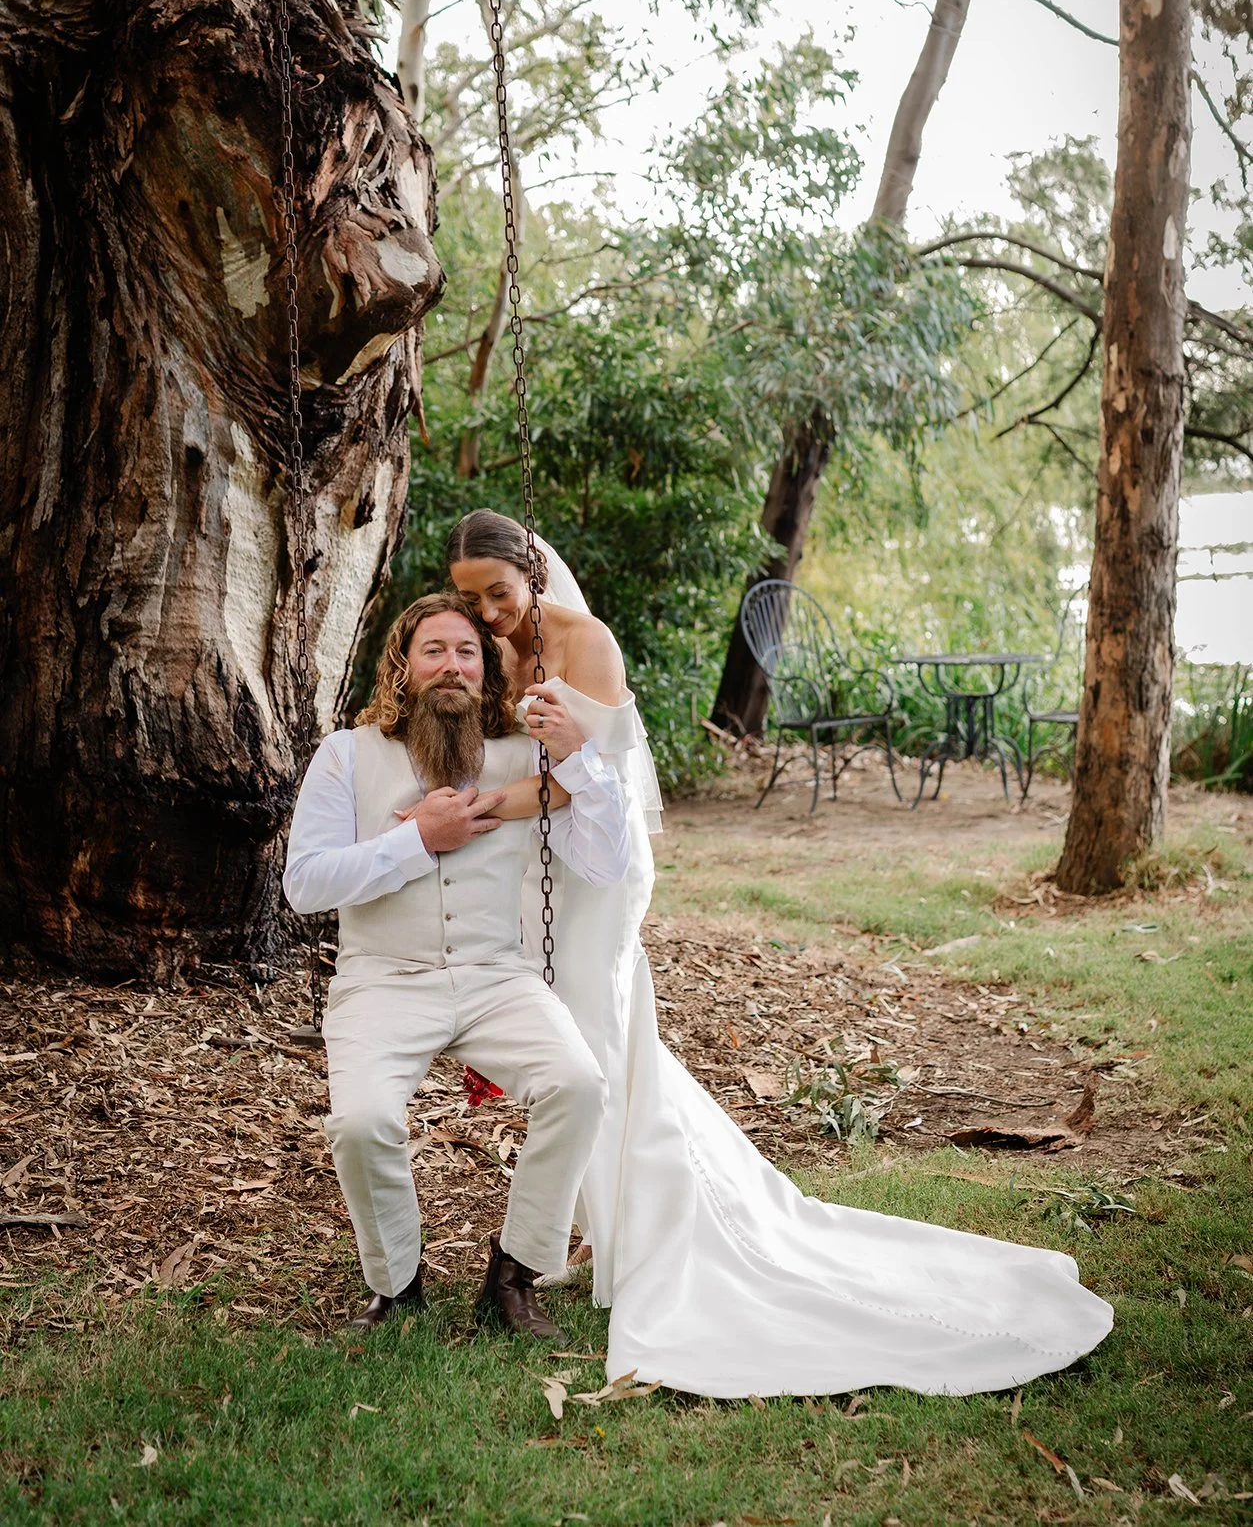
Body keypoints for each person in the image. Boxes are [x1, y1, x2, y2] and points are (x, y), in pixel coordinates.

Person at [447, 510, 1115, 1398]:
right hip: (539, 872)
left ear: (532, 572)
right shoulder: (493, 651)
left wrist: (482, 809)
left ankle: (612, 1241)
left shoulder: (585, 642)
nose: (489, 614)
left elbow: (590, 782)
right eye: (472, 599)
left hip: (597, 873)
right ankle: (591, 1222)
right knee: (588, 1045)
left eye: (498, 593)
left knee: (595, 1037)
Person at [283, 592, 630, 1338]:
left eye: (466, 651)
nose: (450, 665)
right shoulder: (345, 755)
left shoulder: (524, 760)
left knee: (578, 1084)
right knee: (363, 1122)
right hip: (382, 977)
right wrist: (416, 840)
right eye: (432, 650)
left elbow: (606, 862)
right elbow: (304, 883)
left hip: (494, 978)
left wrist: (581, 754)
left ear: (486, 671)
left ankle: (513, 1277)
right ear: (402, 667)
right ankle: (397, 1287)